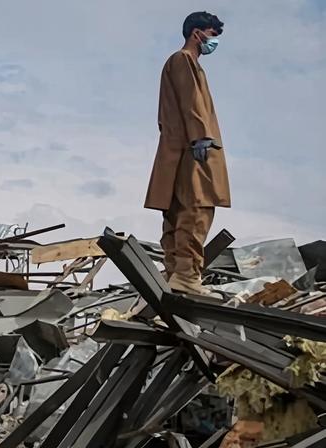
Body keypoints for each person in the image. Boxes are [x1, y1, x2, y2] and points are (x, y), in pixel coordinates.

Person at [144, 11, 230, 295]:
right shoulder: (183, 60)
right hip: (193, 150)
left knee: (178, 213)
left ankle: (176, 276)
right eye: (211, 35)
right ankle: (186, 276)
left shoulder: (179, 63)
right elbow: (192, 100)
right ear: (197, 33)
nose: (212, 41)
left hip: (178, 150)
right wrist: (201, 137)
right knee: (197, 209)